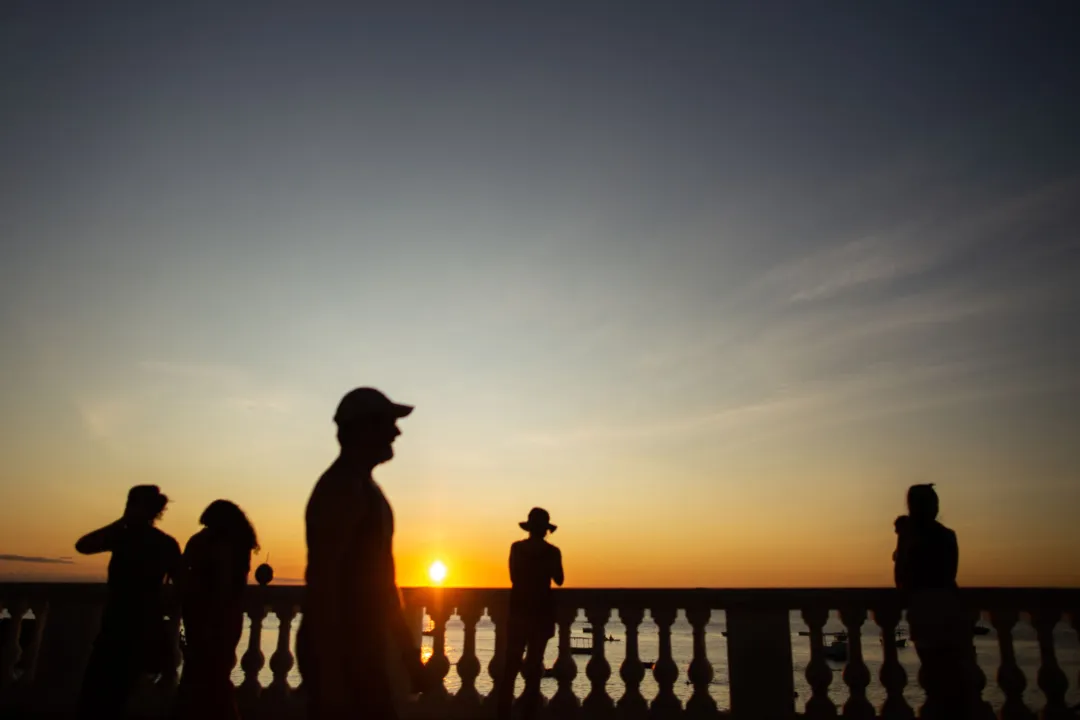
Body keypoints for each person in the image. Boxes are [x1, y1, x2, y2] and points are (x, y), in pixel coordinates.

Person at [296, 387, 428, 719]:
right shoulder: (341, 490)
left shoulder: (365, 490)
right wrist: (330, 675)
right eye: (388, 423)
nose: (397, 432)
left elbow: (384, 583)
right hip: (343, 654)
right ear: (363, 429)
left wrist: (406, 653)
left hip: (361, 652)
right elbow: (323, 585)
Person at [75, 485, 181, 719]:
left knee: (99, 702)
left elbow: (84, 545)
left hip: (127, 629)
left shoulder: (127, 538)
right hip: (130, 628)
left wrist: (120, 522)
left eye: (130, 504)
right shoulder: (156, 542)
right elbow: (82, 546)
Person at [893, 484, 975, 719]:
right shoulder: (947, 536)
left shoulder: (911, 539)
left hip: (927, 615)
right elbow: (950, 574)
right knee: (958, 682)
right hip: (953, 610)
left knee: (938, 683)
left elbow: (901, 580)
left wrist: (902, 540)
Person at [176, 500, 259, 720]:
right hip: (227, 618)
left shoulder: (205, 542)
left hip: (206, 618)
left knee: (202, 678)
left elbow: (186, 577)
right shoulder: (239, 546)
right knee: (216, 677)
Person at [497, 507, 564, 720]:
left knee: (511, 664)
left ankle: (503, 712)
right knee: (535, 665)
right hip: (541, 614)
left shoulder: (517, 549)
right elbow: (560, 579)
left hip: (519, 612)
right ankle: (529, 712)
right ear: (545, 530)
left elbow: (514, 577)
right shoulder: (552, 552)